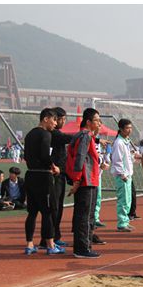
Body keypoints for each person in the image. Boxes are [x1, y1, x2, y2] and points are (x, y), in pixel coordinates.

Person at [23, 108, 64, 256]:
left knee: (32, 212)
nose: (55, 124)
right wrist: (54, 167)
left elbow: (26, 156)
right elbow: (45, 155)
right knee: (48, 212)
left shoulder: (29, 134)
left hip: (30, 175)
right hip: (43, 177)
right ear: (46, 119)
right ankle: (50, 245)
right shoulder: (45, 134)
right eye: (54, 120)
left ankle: (29, 244)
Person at [66, 108, 102, 260]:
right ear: (88, 122)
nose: (99, 123)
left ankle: (85, 246)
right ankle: (82, 248)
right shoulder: (85, 136)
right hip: (85, 180)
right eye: (97, 120)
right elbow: (80, 157)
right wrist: (77, 179)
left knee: (87, 215)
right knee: (85, 216)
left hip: (90, 179)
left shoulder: (85, 136)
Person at [47, 107, 73, 247]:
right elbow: (68, 138)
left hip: (60, 174)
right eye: (62, 119)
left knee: (58, 207)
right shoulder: (54, 134)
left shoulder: (56, 134)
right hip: (54, 175)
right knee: (54, 207)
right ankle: (49, 238)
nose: (63, 122)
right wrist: (86, 134)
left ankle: (54, 237)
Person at [111, 118, 135, 232]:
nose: (129, 130)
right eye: (127, 128)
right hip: (122, 176)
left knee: (128, 200)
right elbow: (117, 160)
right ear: (121, 129)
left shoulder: (126, 141)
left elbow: (127, 158)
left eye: (130, 128)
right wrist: (122, 174)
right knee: (123, 200)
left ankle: (125, 221)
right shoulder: (119, 142)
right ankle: (121, 223)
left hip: (128, 175)